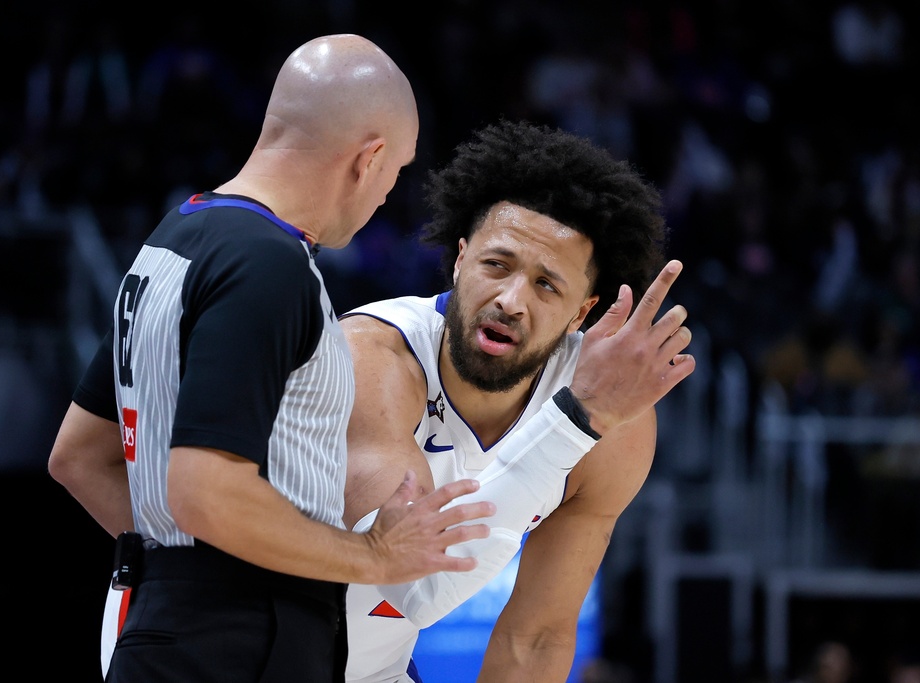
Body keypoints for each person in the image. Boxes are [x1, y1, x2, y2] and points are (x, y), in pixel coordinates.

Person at [47, 34, 496, 683]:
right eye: (395, 173)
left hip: (172, 629)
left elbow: (78, 455)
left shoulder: (173, 239)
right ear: (367, 160)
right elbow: (205, 489)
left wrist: (187, 574)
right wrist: (371, 556)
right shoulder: (269, 266)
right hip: (242, 645)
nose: (383, 199)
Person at [338, 118, 695, 682]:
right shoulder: (374, 355)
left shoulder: (615, 418)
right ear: (459, 259)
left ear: (583, 312)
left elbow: (537, 637)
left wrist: (588, 419)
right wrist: (576, 423)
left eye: (546, 285)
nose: (510, 300)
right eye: (496, 265)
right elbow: (401, 585)